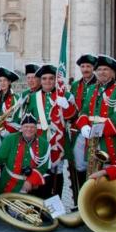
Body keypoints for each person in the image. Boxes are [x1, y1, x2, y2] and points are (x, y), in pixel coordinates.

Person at [25, 64, 76, 199]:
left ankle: (55, 200)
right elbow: (27, 119)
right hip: (39, 138)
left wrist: (66, 106)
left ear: (55, 80)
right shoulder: (33, 97)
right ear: (40, 81)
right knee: (39, 168)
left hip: (59, 139)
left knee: (57, 172)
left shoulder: (64, 95)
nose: (47, 81)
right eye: (44, 78)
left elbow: (72, 117)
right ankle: (38, 201)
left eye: (51, 78)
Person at [76, 54, 116, 167]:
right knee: (92, 170)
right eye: (99, 69)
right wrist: (84, 126)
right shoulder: (92, 88)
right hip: (91, 140)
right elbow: (84, 111)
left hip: (110, 139)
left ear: (112, 72)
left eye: (105, 69)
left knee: (110, 171)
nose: (101, 72)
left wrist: (97, 131)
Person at [0, 113, 49, 197]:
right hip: (7, 182)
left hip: (28, 187)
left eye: (32, 127)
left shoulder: (44, 144)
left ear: (36, 128)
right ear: (21, 128)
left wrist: (30, 181)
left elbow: (43, 167)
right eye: (26, 126)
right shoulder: (10, 139)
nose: (29, 129)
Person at [68, 54, 96, 201]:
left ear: (93, 68)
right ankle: (78, 198)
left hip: (94, 130)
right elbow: (72, 110)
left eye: (88, 66)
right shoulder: (75, 85)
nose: (85, 69)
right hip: (78, 130)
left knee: (94, 166)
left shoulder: (98, 85)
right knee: (77, 165)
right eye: (83, 66)